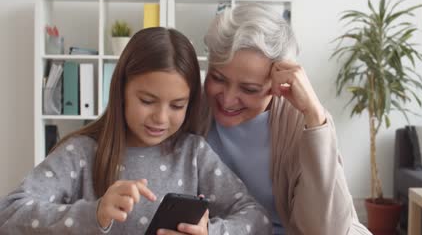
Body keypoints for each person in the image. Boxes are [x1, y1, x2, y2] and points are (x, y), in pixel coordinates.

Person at [0, 27, 271, 235]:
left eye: (177, 105)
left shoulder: (194, 153)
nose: (161, 118)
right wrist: (94, 214)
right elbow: (9, 214)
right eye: (147, 101)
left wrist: (209, 231)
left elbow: (256, 219)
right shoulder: (81, 152)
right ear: (121, 91)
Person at [202, 3, 371, 234]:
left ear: (276, 83)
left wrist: (315, 117)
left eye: (249, 89)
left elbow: (326, 229)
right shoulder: (191, 109)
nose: (228, 99)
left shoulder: (302, 123)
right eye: (217, 78)